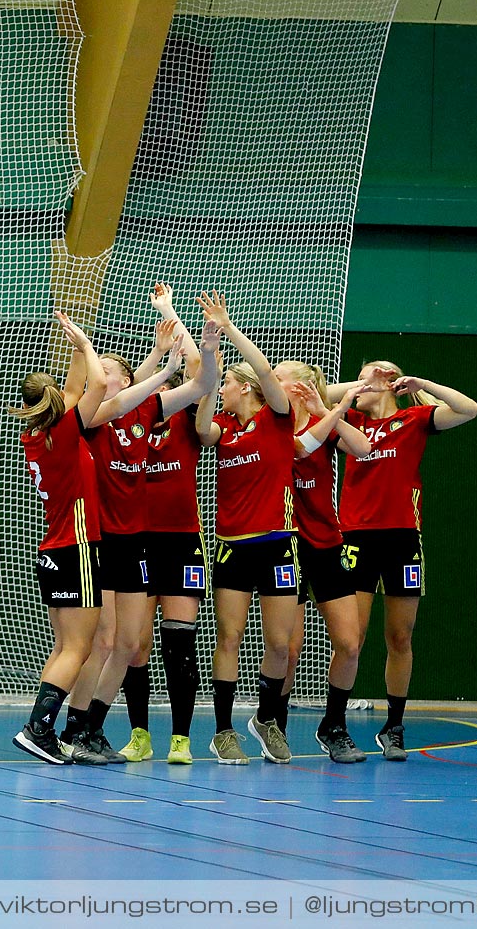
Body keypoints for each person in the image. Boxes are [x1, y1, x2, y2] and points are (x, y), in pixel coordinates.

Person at [324, 360, 477, 760]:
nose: (374, 376)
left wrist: (424, 381)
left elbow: (469, 409)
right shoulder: (349, 417)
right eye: (367, 371)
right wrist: (360, 384)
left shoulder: (415, 418)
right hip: (356, 537)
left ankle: (394, 727)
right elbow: (317, 396)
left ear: (397, 382)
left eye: (383, 372)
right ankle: (334, 724)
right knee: (351, 638)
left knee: (400, 637)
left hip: (403, 538)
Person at [55, 315, 190, 765]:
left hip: (136, 543)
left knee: (130, 645)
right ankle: (72, 729)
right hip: (97, 541)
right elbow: (107, 395)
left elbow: (180, 387)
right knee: (103, 642)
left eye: (113, 369)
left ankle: (92, 727)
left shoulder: (142, 415)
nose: (105, 374)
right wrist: (160, 365)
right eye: (103, 370)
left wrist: (179, 354)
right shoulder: (90, 419)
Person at [194, 291, 296, 765]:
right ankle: (222, 730)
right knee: (230, 637)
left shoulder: (278, 419)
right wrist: (211, 360)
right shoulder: (222, 428)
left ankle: (268, 718)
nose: (226, 389)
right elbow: (200, 428)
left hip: (278, 544)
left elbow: (270, 376)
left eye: (231, 383)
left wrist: (230, 329)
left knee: (280, 642)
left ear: (248, 388)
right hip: (233, 546)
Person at [12, 311, 108, 763]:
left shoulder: (37, 435)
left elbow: (72, 392)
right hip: (78, 547)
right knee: (81, 647)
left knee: (65, 646)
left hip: (53, 549)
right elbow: (98, 388)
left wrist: (73, 344)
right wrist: (88, 346)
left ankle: (41, 728)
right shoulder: (65, 433)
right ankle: (38, 728)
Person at [273, 362, 372, 763]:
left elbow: (364, 449)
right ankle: (274, 725)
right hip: (285, 543)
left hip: (327, 542)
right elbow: (297, 448)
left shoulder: (323, 420)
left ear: (300, 386)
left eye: (277, 377)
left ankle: (333, 725)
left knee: (350, 643)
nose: (269, 382)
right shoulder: (271, 422)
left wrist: (323, 409)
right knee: (289, 648)